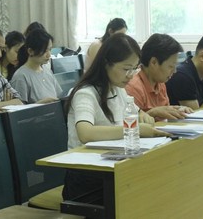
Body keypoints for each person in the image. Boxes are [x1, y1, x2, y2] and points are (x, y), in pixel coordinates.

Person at [63, 33, 167, 203]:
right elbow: (85, 133)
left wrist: (143, 116)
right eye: (126, 69)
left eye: (134, 68)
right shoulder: (85, 93)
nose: (131, 75)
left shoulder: (118, 89)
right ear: (106, 64)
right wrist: (134, 129)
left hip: (113, 168)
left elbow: (138, 113)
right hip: (87, 178)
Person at [126, 33, 193, 120]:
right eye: (171, 66)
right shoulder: (133, 87)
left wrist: (178, 111)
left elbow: (165, 115)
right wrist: (153, 113)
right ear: (154, 62)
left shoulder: (160, 83)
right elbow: (131, 123)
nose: (174, 71)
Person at [10, 29, 62, 103]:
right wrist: (39, 104)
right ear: (30, 51)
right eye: (44, 51)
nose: (49, 55)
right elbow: (18, 107)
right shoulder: (21, 76)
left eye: (50, 49)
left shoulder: (47, 70)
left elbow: (59, 96)